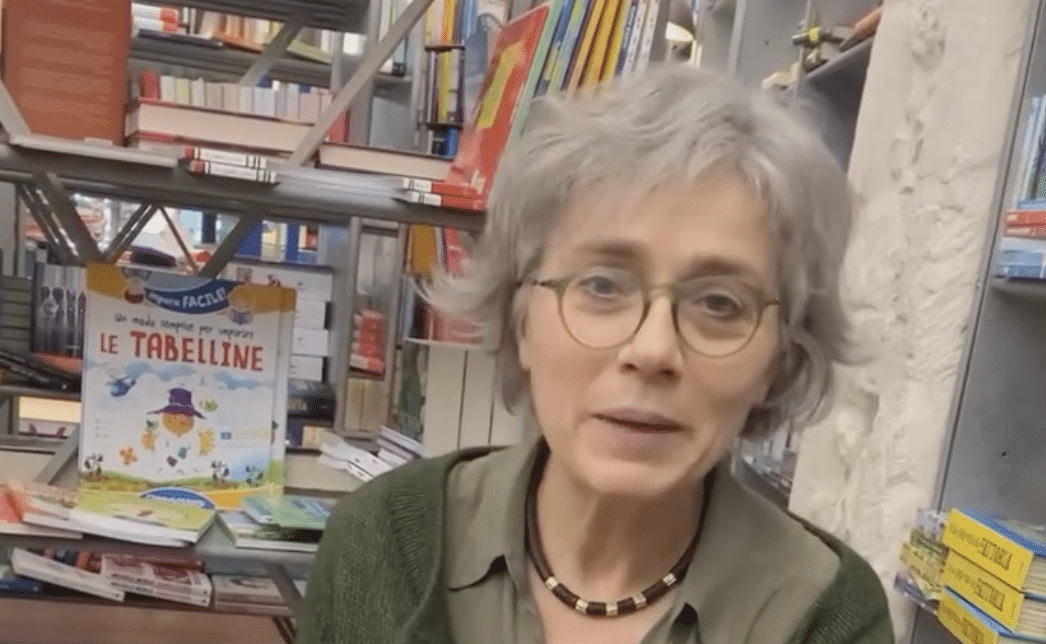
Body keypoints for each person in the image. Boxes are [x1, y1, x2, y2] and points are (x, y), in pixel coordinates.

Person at [296, 64, 893, 644]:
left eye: (719, 303)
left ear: (778, 360)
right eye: (602, 286)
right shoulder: (381, 548)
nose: (653, 350)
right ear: (521, 319)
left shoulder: (824, 617)